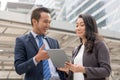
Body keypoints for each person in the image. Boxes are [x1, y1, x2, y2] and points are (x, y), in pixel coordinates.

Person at [14, 7, 66, 80]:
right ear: (34, 21)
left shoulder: (54, 42)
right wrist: (37, 58)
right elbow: (19, 69)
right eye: (45, 21)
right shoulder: (22, 41)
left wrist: (67, 69)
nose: (48, 25)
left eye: (49, 22)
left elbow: (62, 67)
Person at [58, 14, 111, 80]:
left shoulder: (99, 44)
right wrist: (68, 71)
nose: (78, 28)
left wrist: (84, 69)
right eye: (77, 25)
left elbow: (106, 71)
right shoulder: (76, 50)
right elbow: (76, 75)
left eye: (82, 25)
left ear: (90, 27)